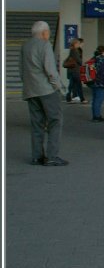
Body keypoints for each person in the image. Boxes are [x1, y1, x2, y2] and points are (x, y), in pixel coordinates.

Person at [20, 21, 69, 166]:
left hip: (31, 90)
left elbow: (21, 70)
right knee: (55, 121)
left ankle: (37, 156)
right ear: (44, 33)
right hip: (47, 90)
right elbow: (50, 70)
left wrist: (28, 85)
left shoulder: (25, 46)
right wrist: (58, 87)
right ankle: (52, 156)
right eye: (48, 32)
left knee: (37, 123)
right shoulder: (45, 45)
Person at [88, 45, 104, 122]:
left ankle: (95, 115)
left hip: (92, 81)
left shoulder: (93, 58)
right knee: (99, 99)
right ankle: (97, 116)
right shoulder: (103, 60)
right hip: (100, 83)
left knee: (95, 99)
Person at [64, 37, 85, 104]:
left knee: (71, 85)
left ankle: (69, 98)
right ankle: (82, 99)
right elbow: (79, 60)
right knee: (78, 85)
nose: (79, 44)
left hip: (71, 70)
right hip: (75, 70)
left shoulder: (71, 50)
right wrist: (81, 62)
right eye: (78, 43)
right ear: (75, 43)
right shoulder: (75, 51)